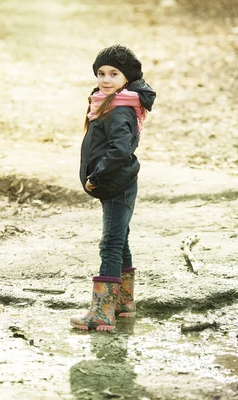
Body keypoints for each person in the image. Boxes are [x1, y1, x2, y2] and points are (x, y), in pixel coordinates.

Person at [70, 44, 156, 331]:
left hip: (116, 183)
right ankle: (123, 302)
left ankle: (102, 312)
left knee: (110, 245)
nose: (105, 79)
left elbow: (120, 150)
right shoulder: (107, 102)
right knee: (121, 241)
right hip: (116, 183)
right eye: (101, 73)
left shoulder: (120, 110)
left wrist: (97, 174)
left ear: (126, 79)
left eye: (114, 74)